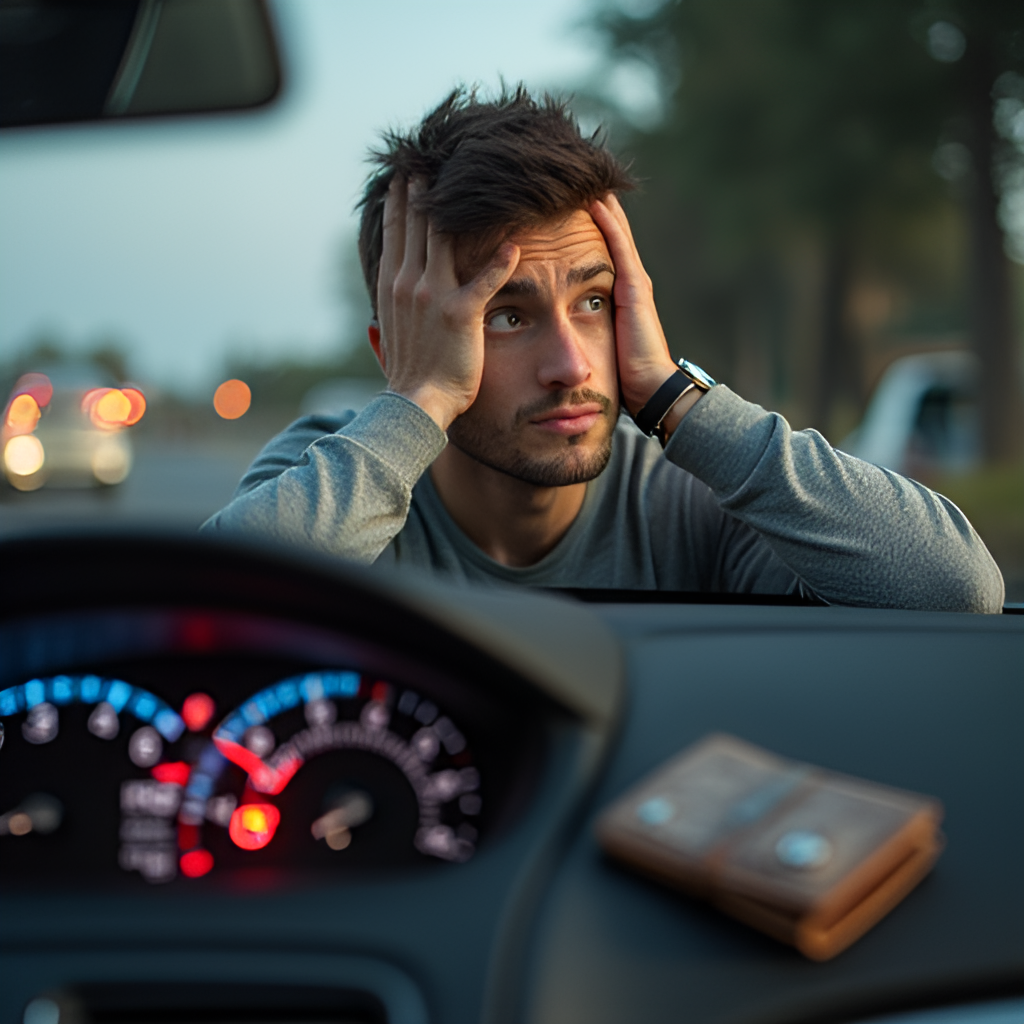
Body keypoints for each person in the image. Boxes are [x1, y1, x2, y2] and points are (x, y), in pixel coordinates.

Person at [203, 88, 1004, 612]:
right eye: (504, 315)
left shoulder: (688, 500)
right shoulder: (336, 484)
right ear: (401, 349)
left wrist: (674, 397)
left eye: (593, 302)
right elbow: (202, 607)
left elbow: (955, 589)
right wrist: (418, 408)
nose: (574, 365)